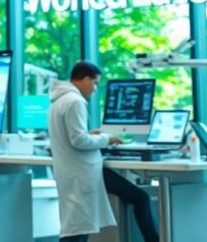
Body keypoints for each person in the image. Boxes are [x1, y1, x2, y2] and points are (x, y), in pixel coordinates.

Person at [48, 61, 159, 242]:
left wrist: (90, 134)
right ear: (85, 79)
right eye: (95, 83)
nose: (94, 89)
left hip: (77, 170)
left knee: (138, 198)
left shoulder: (58, 101)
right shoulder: (75, 101)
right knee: (77, 229)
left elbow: (72, 135)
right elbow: (78, 141)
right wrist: (108, 138)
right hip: (82, 172)